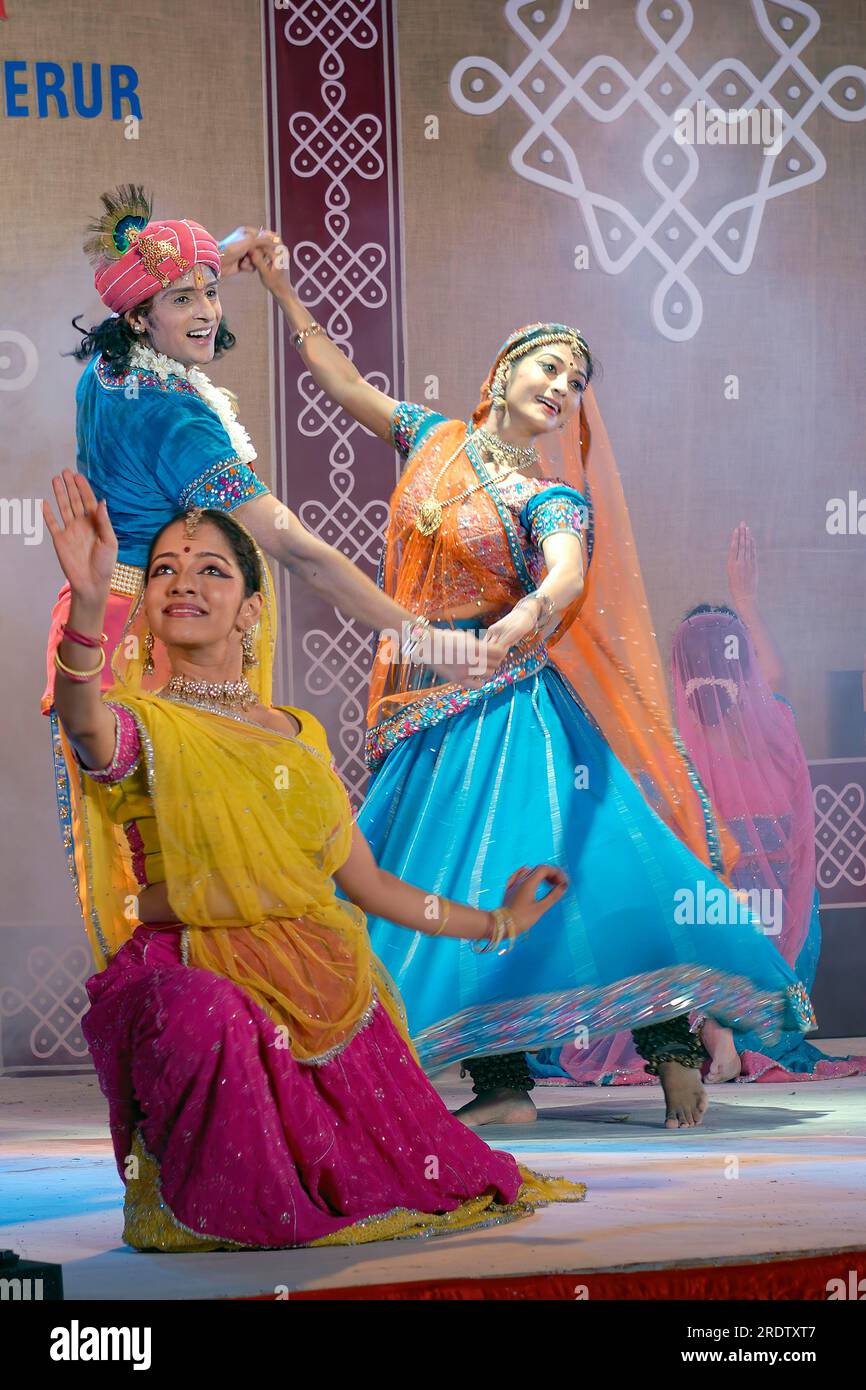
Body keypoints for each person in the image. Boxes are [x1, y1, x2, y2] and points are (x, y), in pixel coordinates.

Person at [245, 246, 818, 1131]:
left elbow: (563, 576)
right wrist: (282, 285)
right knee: (437, 881)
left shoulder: (551, 496)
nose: (563, 385)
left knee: (585, 873)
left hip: (511, 707)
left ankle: (669, 1052)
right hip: (423, 710)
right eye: (550, 365)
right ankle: (504, 1086)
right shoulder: (430, 438)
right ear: (506, 370)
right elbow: (339, 378)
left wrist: (521, 622)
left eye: (578, 380)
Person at [42, 471, 579, 1250]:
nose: (182, 582)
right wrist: (89, 603)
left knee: (414, 1161)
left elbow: (365, 884)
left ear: (251, 610)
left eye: (210, 570)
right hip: (194, 969)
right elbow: (85, 725)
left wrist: (495, 918)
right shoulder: (140, 726)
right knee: (208, 1015)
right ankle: (227, 1203)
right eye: (164, 569)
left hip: (315, 972)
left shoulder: (297, 738)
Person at [45, 186, 490, 923]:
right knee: (190, 854)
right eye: (184, 300)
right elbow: (292, 546)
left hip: (107, 620)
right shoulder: (178, 419)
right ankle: (211, 1012)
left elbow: (159, 279)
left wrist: (230, 245)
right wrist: (420, 637)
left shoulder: (110, 368)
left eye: (212, 293)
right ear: (140, 316)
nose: (207, 313)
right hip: (155, 645)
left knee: (150, 850)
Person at [532, 525, 866, 1086]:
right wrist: (745, 600)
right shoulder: (773, 731)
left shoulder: (673, 756)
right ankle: (730, 1026)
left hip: (712, 920)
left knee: (664, 908)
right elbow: (774, 676)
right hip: (775, 924)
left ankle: (710, 1028)